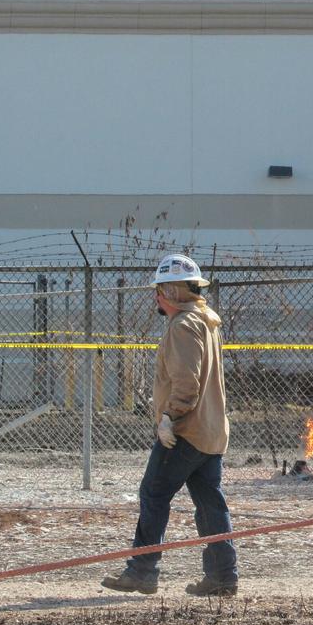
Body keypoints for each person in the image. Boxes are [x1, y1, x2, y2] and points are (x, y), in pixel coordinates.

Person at [101, 253, 239, 597]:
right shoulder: (206, 321)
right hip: (211, 432)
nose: (157, 298)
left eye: (161, 290)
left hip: (185, 432)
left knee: (154, 492)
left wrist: (169, 419)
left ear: (174, 292)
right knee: (210, 504)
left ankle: (143, 570)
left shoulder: (183, 326)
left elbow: (187, 384)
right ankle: (223, 575)